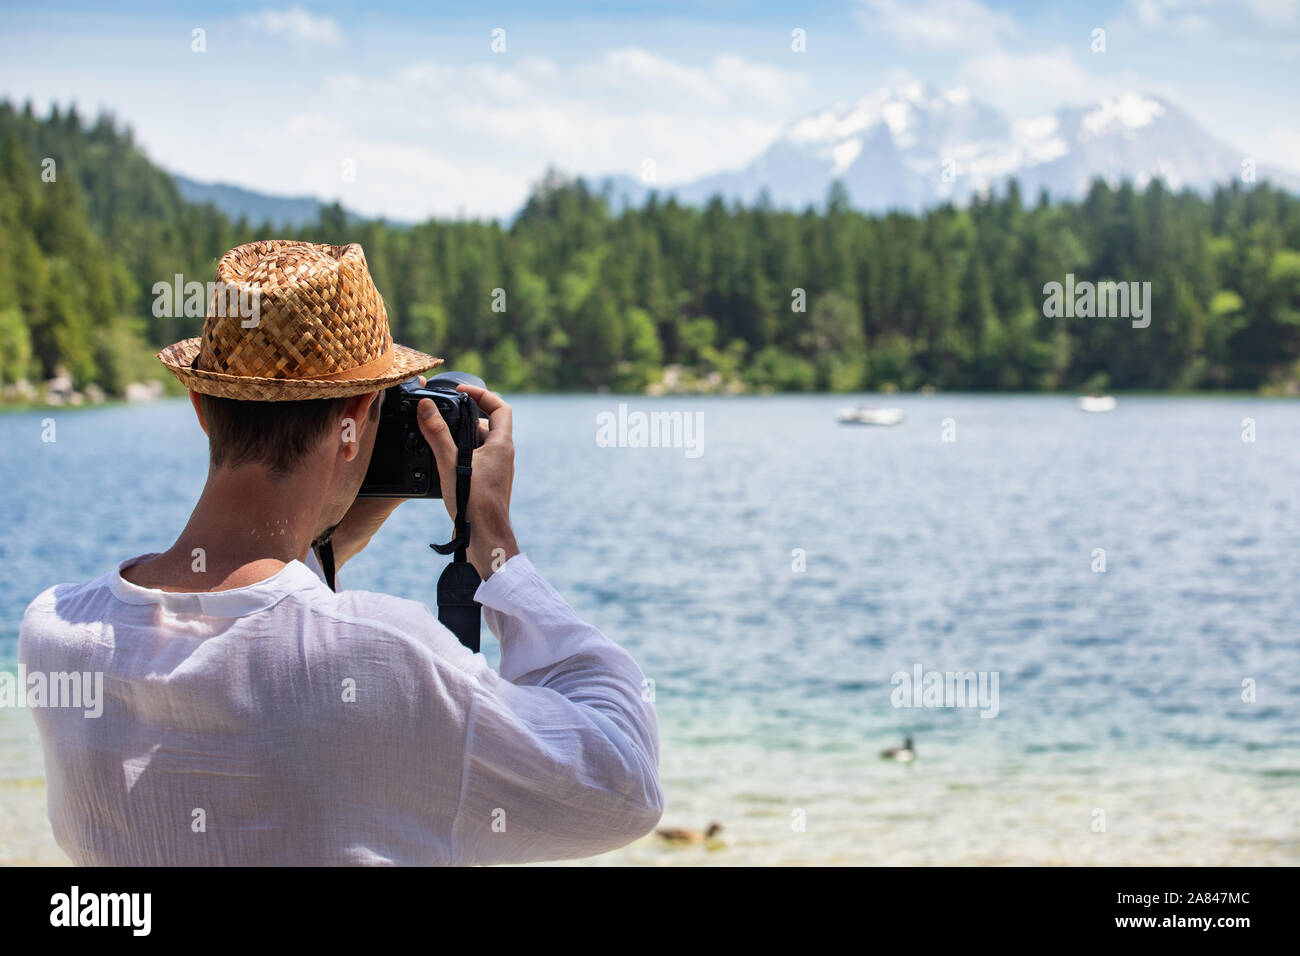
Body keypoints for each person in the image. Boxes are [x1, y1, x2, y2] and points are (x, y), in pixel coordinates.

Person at [19, 240, 663, 865]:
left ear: (199, 406)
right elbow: (623, 781)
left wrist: (324, 534)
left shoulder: (55, 633)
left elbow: (241, 633)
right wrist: (492, 538)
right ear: (358, 416)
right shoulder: (387, 655)